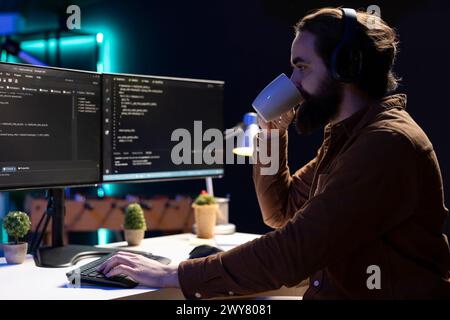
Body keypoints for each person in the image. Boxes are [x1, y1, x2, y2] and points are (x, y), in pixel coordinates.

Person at [98, 7, 450, 299]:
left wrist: (174, 275)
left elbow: (292, 252)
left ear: (346, 66)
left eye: (302, 66)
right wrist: (271, 134)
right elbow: (281, 213)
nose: (293, 83)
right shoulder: (348, 139)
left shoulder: (385, 144)